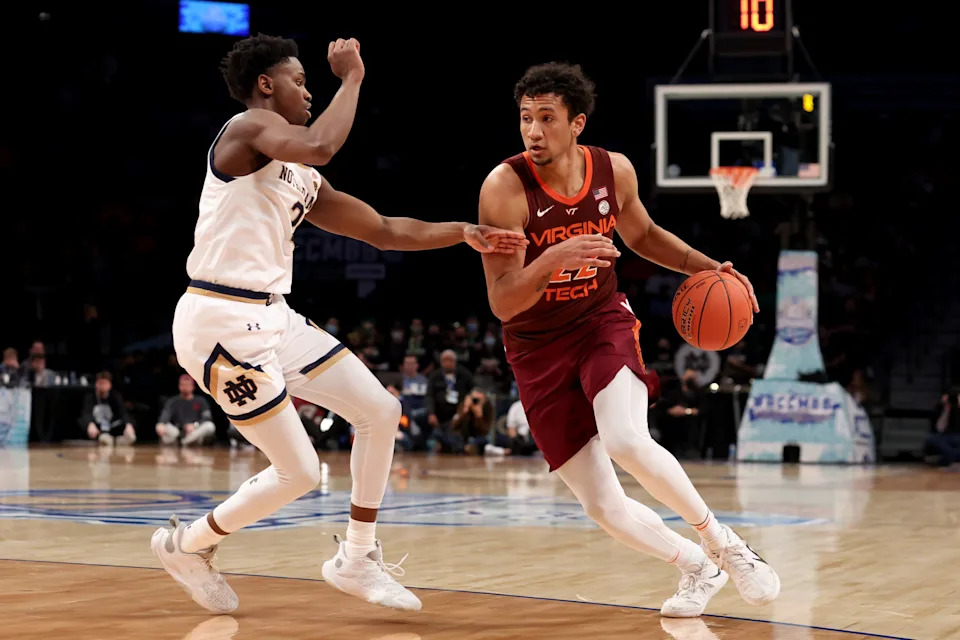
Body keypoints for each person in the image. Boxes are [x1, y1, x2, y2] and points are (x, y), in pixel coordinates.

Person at [150, 33, 527, 614]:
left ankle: (356, 556)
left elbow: (382, 230)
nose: (309, 91)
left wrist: (463, 232)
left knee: (380, 409)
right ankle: (187, 545)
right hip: (219, 319)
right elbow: (323, 143)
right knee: (298, 471)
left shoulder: (300, 175)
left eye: (312, 81)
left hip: (273, 314)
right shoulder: (246, 128)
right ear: (266, 85)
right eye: (300, 81)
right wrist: (352, 78)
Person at [477, 62, 779, 618]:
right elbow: (502, 300)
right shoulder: (504, 189)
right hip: (534, 346)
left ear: (577, 124)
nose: (534, 131)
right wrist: (554, 260)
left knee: (626, 440)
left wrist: (713, 269)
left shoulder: (613, 171)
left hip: (600, 322)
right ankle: (698, 565)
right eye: (525, 119)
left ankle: (728, 546)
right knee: (603, 507)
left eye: (547, 118)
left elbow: (641, 234)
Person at [155, 374, 217, 446]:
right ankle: (185, 441)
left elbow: (207, 417)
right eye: (183, 384)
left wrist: (194, 425)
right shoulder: (173, 401)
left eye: (187, 385)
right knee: (161, 426)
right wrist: (161, 424)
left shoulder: (201, 401)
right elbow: (165, 415)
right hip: (178, 432)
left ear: (193, 387)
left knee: (210, 426)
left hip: (195, 431)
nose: (185, 387)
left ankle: (185, 442)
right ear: (179, 386)